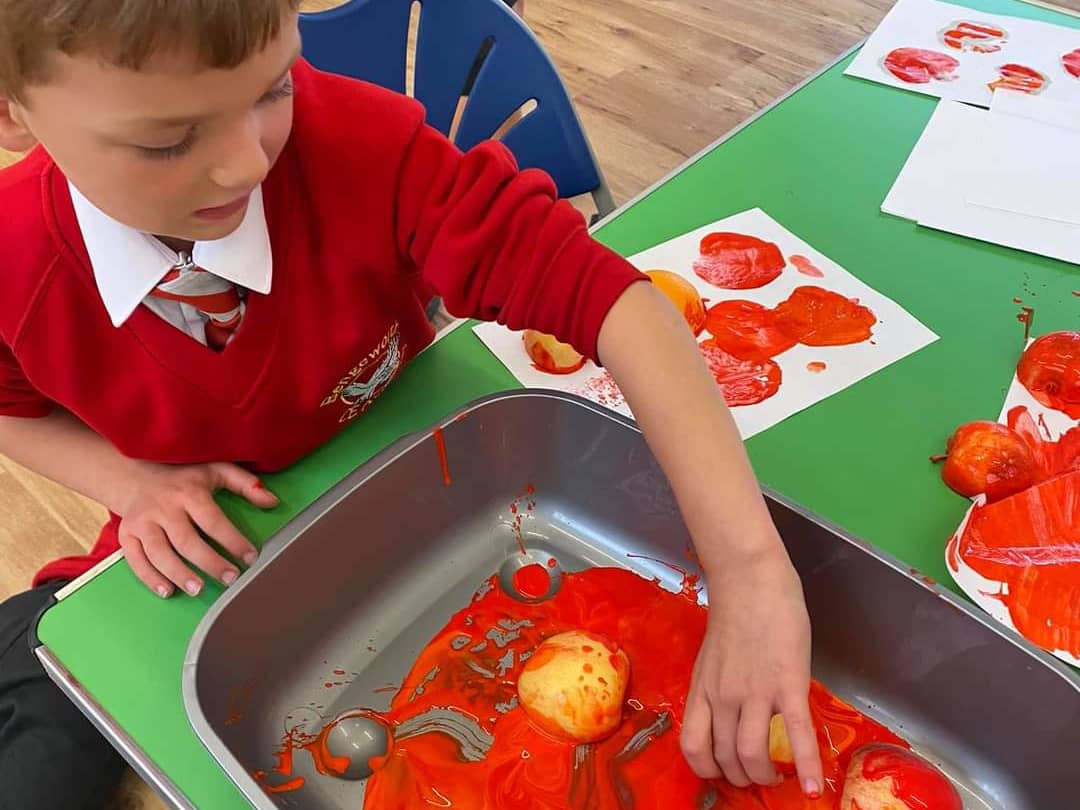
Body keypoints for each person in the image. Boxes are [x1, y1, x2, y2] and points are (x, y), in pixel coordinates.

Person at [0, 1, 823, 807]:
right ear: (12, 110)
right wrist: (129, 483)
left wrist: (750, 569)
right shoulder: (14, 258)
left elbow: (618, 305)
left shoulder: (362, 146)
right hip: (196, 556)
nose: (247, 164)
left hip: (414, 484)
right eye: (169, 139)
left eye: (274, 86)